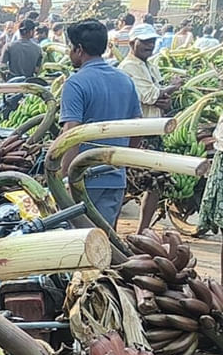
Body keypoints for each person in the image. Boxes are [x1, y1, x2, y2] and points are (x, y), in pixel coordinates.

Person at [58, 19, 141, 228]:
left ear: (79, 49)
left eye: (71, 47)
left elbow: (72, 133)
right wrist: (122, 162)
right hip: (114, 177)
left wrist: (63, 175)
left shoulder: (75, 83)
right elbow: (138, 129)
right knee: (106, 242)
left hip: (83, 180)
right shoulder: (125, 80)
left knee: (76, 244)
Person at [119, 23, 184, 232]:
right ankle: (111, 226)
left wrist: (164, 98)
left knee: (155, 182)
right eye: (145, 41)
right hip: (137, 133)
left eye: (152, 41)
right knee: (126, 181)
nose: (149, 45)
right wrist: (172, 87)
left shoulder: (151, 66)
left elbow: (159, 98)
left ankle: (142, 231)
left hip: (154, 130)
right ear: (132, 43)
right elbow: (150, 95)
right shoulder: (128, 67)